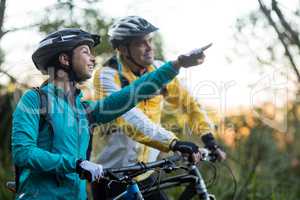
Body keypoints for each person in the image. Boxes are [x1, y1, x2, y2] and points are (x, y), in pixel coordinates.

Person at [11, 28, 209, 200]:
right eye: (86, 52)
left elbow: (130, 95)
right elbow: (23, 152)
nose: (93, 58)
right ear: (64, 59)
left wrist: (177, 64)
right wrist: (77, 164)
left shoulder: (84, 109)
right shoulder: (34, 99)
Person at [92, 16, 226, 200]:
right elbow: (129, 119)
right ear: (123, 49)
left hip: (146, 173)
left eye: (150, 40)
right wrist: (173, 142)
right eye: (141, 43)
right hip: (111, 176)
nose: (150, 47)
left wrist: (208, 137)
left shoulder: (158, 69)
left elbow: (190, 105)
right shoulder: (107, 76)